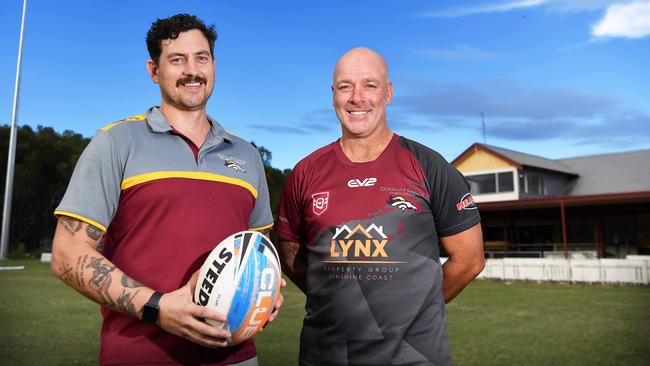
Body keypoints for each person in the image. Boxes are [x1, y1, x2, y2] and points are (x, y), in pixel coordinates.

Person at [50, 14, 281, 366]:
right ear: (154, 71)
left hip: (234, 357)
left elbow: (259, 252)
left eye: (201, 58)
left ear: (214, 65)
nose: (192, 70)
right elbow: (67, 254)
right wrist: (158, 307)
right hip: (140, 355)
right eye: (177, 59)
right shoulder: (116, 141)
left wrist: (267, 294)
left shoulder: (246, 154)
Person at [275, 47, 485, 366]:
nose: (357, 97)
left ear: (388, 93)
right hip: (326, 355)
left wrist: (419, 310)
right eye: (346, 86)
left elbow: (469, 259)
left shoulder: (429, 166)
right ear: (333, 95)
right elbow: (290, 254)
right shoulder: (305, 173)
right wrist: (334, 298)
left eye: (370, 85)